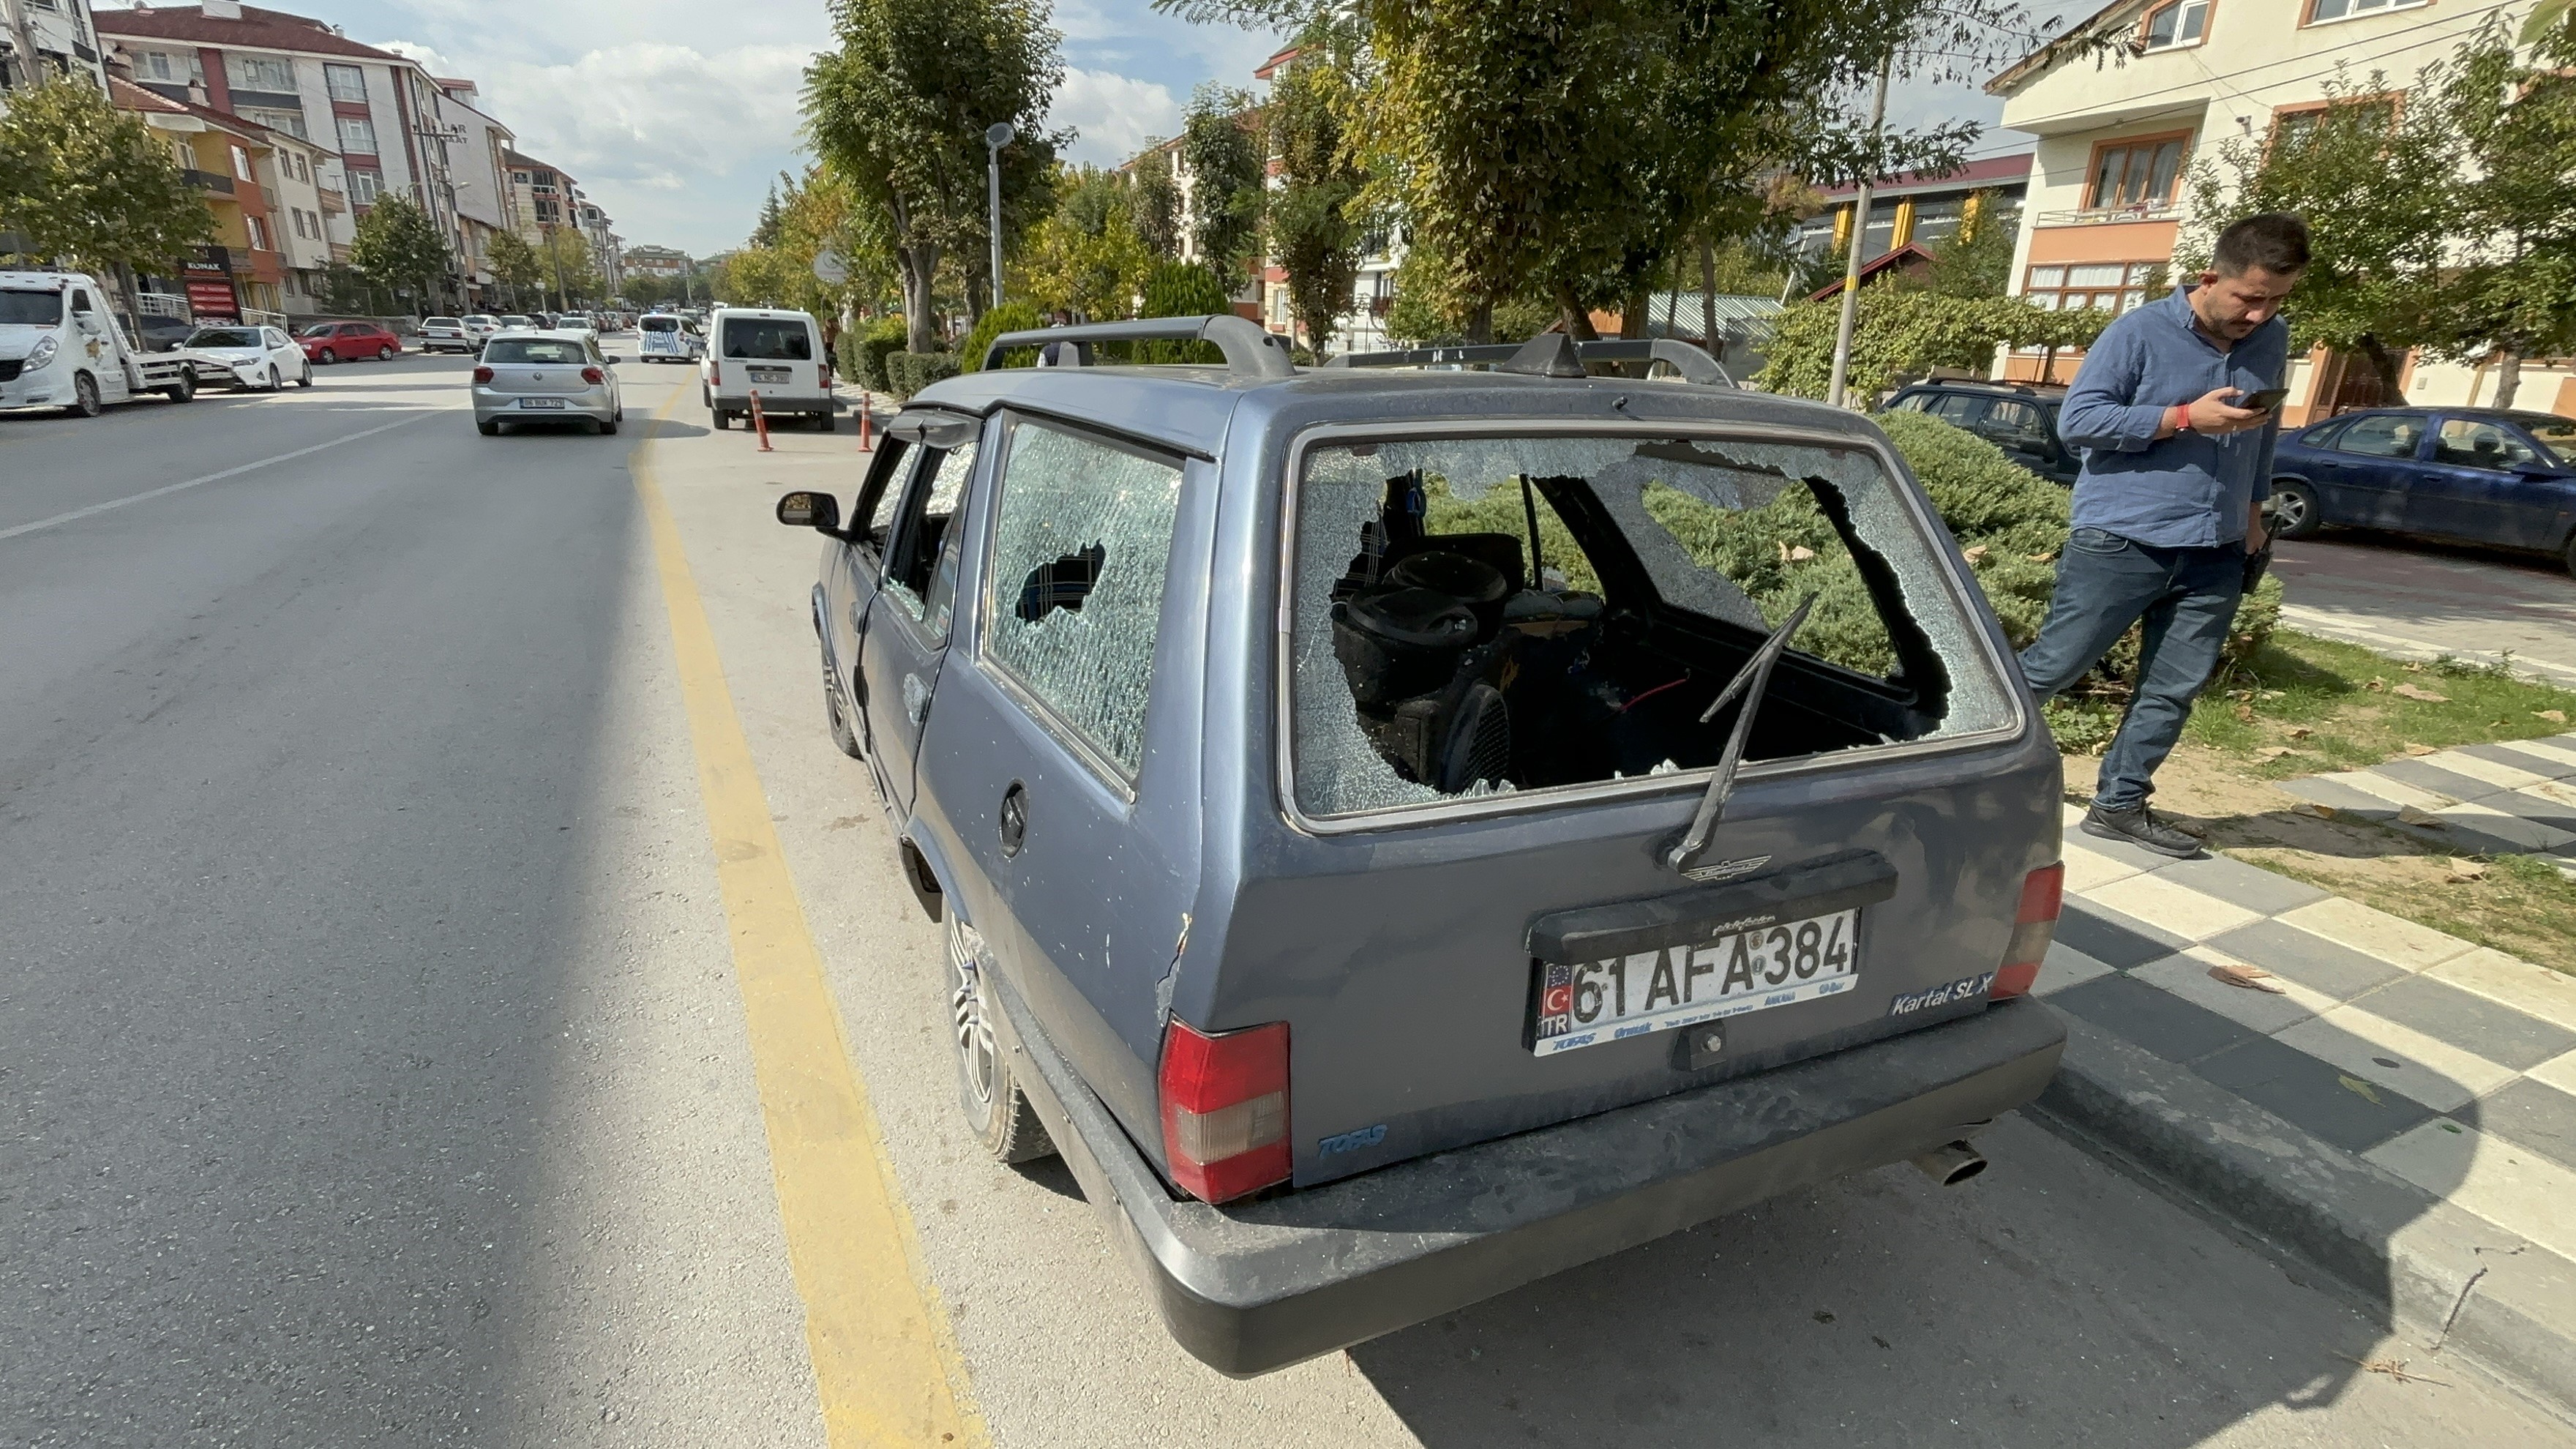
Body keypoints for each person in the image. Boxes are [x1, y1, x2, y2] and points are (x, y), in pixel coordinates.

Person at [2018, 211, 2308, 858]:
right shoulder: (2138, 333)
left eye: (2278, 300)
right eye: (2251, 298)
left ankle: (2120, 803)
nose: (2260, 315)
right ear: (2212, 278)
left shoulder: (2271, 338)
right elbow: (2079, 421)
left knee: (2172, 687)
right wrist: (2182, 417)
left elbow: (2262, 431)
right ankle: (1949, 761)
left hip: (2218, 549)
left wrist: (2255, 520)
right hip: (2123, 540)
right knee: (2051, 669)